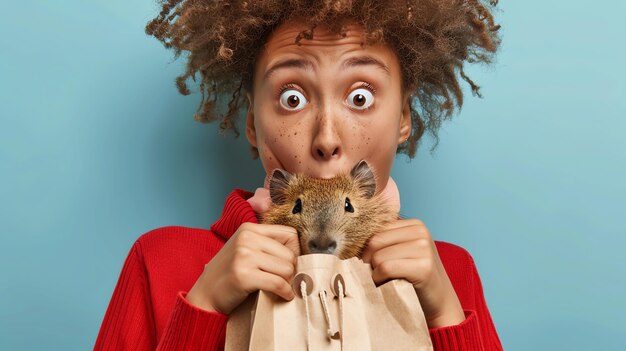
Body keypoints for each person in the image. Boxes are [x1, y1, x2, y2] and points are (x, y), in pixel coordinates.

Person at [94, 1, 503, 350]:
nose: (326, 139)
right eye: (293, 98)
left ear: (403, 118)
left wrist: (449, 319)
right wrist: (203, 308)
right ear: (253, 123)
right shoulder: (161, 261)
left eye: (360, 97)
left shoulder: (452, 273)